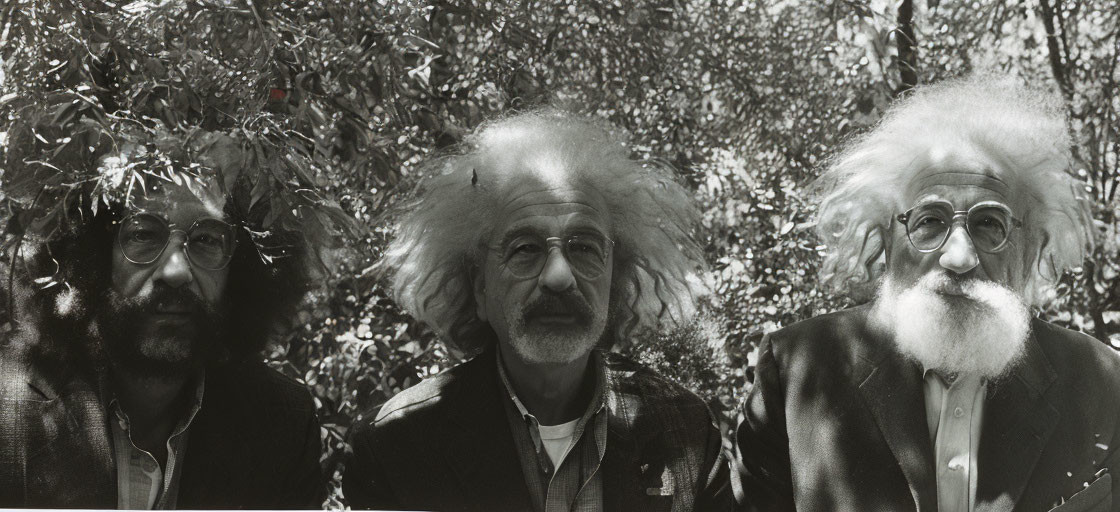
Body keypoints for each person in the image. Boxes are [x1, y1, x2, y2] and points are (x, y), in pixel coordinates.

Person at [735, 75, 1120, 512]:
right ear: (886, 239)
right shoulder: (794, 372)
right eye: (929, 221)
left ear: (1033, 248)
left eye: (990, 223)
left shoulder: (1105, 386)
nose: (958, 257)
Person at [343, 111, 733, 511]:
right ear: (480, 288)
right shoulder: (397, 448)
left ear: (614, 280)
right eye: (525, 249)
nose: (559, 276)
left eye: (583, 247)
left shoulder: (686, 431)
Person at [0, 145, 330, 508]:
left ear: (243, 271)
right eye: (143, 235)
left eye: (206, 240)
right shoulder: (8, 412)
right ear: (90, 255)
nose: (175, 272)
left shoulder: (282, 422)